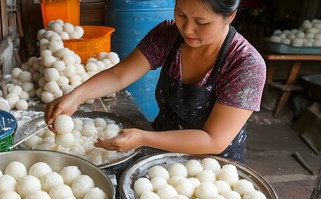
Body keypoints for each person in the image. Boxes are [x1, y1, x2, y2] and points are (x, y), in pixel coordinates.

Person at [45, 0, 266, 164]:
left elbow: (213, 140)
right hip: (157, 152)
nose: (187, 29)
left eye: (201, 22)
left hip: (212, 169)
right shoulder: (168, 34)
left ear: (230, 16)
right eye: (181, 14)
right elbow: (119, 75)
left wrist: (143, 137)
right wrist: (76, 96)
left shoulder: (246, 65)